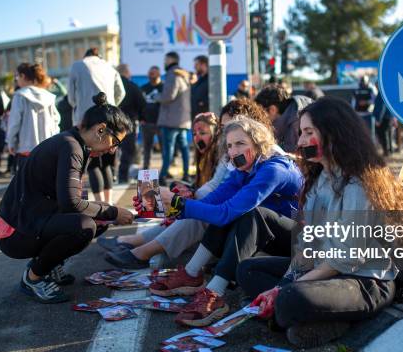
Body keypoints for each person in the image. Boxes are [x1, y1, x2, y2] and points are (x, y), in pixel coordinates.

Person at [237, 97, 403, 348]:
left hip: (365, 281)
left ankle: (314, 317)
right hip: (324, 273)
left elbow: (344, 259)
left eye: (308, 132)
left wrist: (284, 290)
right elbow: (305, 246)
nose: (299, 142)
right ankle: (299, 316)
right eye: (300, 133)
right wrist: (285, 282)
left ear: (334, 134)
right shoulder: (319, 179)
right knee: (248, 269)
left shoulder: (360, 185)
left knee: (289, 297)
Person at [148, 117, 303, 327]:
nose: (233, 151)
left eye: (240, 143)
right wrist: (170, 206)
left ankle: (215, 293)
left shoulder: (274, 169)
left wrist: (180, 205)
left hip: (301, 241)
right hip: (273, 236)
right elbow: (213, 202)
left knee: (248, 214)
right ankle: (192, 274)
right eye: (229, 145)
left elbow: (225, 213)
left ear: (258, 144)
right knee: (232, 211)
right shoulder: (245, 168)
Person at [102, 99, 275, 270]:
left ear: (254, 132)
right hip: (246, 229)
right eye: (225, 130)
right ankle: (147, 251)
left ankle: (145, 251)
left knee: (197, 215)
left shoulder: (271, 167)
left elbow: (224, 209)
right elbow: (215, 194)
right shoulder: (237, 164)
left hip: (266, 240)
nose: (227, 135)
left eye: (239, 140)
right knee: (190, 211)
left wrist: (180, 203)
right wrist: (176, 205)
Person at [0, 92, 134, 303]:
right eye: (115, 142)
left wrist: (105, 212)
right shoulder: (71, 147)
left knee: (97, 220)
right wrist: (113, 211)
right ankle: (33, 278)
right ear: (100, 130)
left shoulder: (74, 143)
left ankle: (50, 266)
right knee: (85, 226)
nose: (113, 150)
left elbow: (70, 199)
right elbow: (71, 202)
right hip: (15, 232)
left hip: (29, 219)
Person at [7, 63, 60, 171]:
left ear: (23, 76)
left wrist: (11, 142)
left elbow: (14, 123)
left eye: (17, 76)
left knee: (27, 185)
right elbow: (56, 121)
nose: (16, 80)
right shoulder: (48, 96)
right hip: (47, 149)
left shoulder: (19, 96)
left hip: (26, 150)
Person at [157, 51, 191, 185]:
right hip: (183, 120)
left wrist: (156, 98)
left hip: (171, 119)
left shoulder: (172, 74)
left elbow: (168, 96)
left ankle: (163, 175)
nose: (164, 62)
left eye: (165, 60)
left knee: (168, 149)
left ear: (171, 60)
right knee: (184, 148)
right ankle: (187, 174)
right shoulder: (184, 75)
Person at [68, 47, 125, 126]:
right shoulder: (110, 67)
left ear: (85, 56)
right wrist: (112, 104)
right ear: (99, 56)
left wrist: (79, 105)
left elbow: (71, 97)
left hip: (84, 117)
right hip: (107, 115)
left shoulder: (76, 66)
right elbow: (121, 92)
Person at [255, 83, 312, 153]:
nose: (260, 118)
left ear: (273, 110)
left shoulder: (296, 123)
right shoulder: (294, 110)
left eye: (261, 113)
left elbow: (293, 155)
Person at [116, 63, 146, 183]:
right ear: (127, 73)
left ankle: (110, 175)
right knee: (128, 151)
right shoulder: (132, 86)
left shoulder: (111, 86)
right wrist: (141, 117)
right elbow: (142, 104)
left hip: (112, 123)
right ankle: (122, 176)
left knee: (110, 149)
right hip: (128, 123)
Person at [140, 66, 163, 170]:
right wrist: (141, 118)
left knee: (165, 149)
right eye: (150, 74)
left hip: (161, 123)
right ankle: (145, 168)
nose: (151, 75)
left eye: (153, 73)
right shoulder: (144, 88)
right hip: (147, 123)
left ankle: (165, 170)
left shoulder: (164, 87)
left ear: (159, 74)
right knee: (147, 148)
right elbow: (139, 105)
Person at [372, 88, 394, 156]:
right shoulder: (387, 92)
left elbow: (381, 107)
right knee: (388, 134)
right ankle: (390, 150)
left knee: (383, 134)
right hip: (389, 116)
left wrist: (378, 119)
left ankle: (386, 151)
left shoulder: (381, 93)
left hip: (383, 117)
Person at [190, 55, 209, 120]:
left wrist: (203, 103)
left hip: (206, 120)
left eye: (196, 64)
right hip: (196, 119)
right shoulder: (198, 81)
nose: (194, 67)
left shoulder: (211, 81)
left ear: (203, 65)